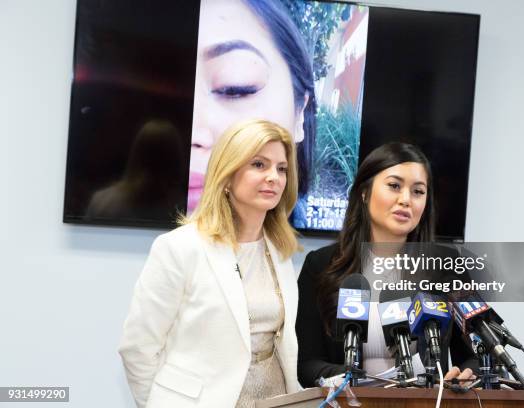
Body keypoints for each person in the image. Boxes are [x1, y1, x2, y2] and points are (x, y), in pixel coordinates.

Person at [119, 120, 302, 408]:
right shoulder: (179, 248)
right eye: (259, 165)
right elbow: (137, 349)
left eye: (281, 169)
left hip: (274, 397)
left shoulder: (280, 250)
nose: (274, 177)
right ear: (227, 176)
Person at [296, 142, 479, 387]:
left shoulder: (446, 267)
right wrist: (360, 381)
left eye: (418, 191)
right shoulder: (320, 265)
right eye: (394, 186)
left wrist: (467, 374)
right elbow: (307, 364)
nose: (406, 200)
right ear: (364, 192)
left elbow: (476, 353)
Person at [189, 0, 316, 211]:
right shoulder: (169, 245)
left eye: (235, 88)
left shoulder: (296, 244)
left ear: (300, 112)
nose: (194, 135)